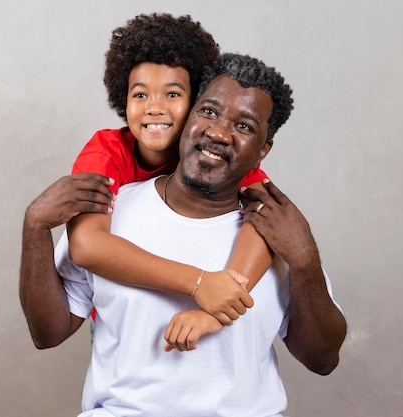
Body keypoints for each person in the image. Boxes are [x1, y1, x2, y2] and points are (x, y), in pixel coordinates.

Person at [19, 53, 347, 416]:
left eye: (245, 127)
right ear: (188, 117)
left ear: (262, 151)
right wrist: (35, 228)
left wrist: (305, 260)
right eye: (208, 111)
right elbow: (48, 334)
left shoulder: (275, 232)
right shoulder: (109, 212)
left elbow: (322, 358)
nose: (218, 132)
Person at [65, 13, 276, 330]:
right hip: (124, 317)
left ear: (197, 102)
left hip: (200, 318)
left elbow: (267, 219)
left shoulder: (215, 155)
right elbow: (86, 245)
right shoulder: (106, 152)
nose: (154, 107)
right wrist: (199, 283)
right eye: (140, 94)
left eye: (173, 94)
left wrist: (220, 306)